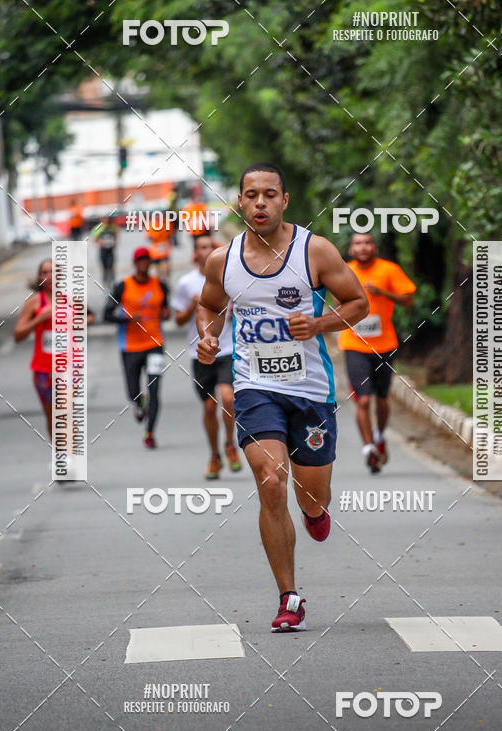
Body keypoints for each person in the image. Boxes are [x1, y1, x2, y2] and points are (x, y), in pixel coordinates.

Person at [196, 163, 368, 632]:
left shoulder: (314, 250)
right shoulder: (223, 260)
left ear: (284, 200)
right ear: (240, 201)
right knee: (270, 480)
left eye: (269, 194)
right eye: (250, 194)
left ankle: (315, 510)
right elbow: (209, 306)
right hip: (254, 386)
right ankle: (289, 596)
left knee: (311, 495)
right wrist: (209, 338)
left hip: (310, 391)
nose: (260, 203)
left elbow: (358, 303)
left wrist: (318, 324)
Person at [338, 232, 416, 473]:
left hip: (384, 346)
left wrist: (383, 294)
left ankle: (379, 436)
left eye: (367, 242)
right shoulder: (343, 271)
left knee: (382, 400)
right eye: (358, 243)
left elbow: (408, 299)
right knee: (363, 400)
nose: (363, 247)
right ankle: (369, 448)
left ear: (374, 247)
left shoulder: (388, 270)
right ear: (351, 249)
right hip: (354, 345)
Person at [172, 233, 242, 479]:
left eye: (210, 246)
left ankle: (231, 444)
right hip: (199, 350)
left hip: (228, 349)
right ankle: (214, 455)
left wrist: (233, 312)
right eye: (202, 247)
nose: (206, 251)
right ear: (195, 254)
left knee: (229, 398)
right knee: (210, 406)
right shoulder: (186, 283)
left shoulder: (230, 279)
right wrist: (194, 306)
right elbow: (178, 320)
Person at [14, 259, 94, 444]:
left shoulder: (72, 300)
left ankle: (70, 455)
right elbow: (18, 335)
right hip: (43, 368)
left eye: (53, 272)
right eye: (44, 272)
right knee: (52, 415)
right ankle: (60, 453)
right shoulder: (34, 303)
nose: (49, 276)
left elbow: (89, 317)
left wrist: (79, 323)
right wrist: (38, 319)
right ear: (39, 277)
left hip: (70, 366)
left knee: (65, 410)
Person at [104, 246, 170, 449]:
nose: (143, 263)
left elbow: (166, 310)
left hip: (154, 344)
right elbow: (106, 315)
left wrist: (166, 314)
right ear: (135, 264)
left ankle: (149, 433)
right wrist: (126, 319)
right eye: (140, 260)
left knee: (155, 390)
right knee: (132, 392)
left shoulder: (160, 285)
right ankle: (139, 402)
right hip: (130, 346)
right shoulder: (122, 287)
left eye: (146, 260)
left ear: (149, 263)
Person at [91, 215, 118, 290]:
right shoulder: (98, 228)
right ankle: (105, 283)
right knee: (104, 267)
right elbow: (94, 239)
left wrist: (114, 242)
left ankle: (112, 282)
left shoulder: (112, 227)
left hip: (110, 250)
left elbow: (116, 234)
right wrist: (100, 242)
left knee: (111, 266)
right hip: (103, 251)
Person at [147, 211, 173, 283]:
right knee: (155, 272)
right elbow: (150, 236)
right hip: (154, 252)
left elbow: (169, 234)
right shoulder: (151, 224)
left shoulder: (167, 224)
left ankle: (164, 283)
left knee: (165, 271)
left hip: (164, 252)